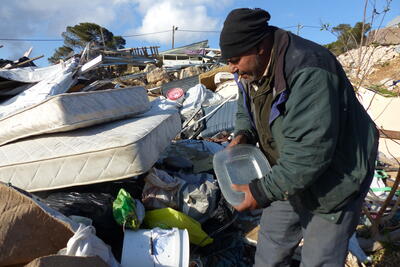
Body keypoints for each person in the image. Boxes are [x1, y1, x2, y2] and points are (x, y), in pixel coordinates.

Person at [219, 8, 379, 266]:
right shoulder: (251, 71)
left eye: (235, 59)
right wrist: (243, 134)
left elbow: (309, 154)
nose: (232, 69)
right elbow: (244, 105)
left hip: (336, 179)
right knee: (270, 248)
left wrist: (259, 191)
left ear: (260, 47)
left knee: (319, 258)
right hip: (288, 173)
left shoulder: (309, 69)